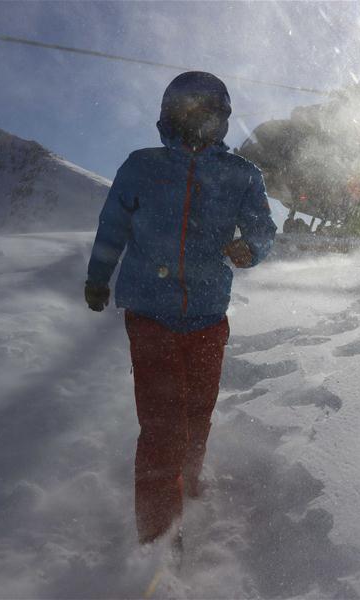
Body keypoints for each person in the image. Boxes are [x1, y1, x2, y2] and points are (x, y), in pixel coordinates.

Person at [84, 71, 277, 546]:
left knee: (197, 413)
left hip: (210, 316)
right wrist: (97, 276)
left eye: (209, 111)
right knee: (162, 427)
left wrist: (249, 248)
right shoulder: (141, 166)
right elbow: (113, 227)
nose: (199, 120)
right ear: (169, 113)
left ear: (223, 119)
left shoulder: (242, 175)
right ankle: (159, 541)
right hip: (151, 316)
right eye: (189, 109)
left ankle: (187, 488)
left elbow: (263, 228)